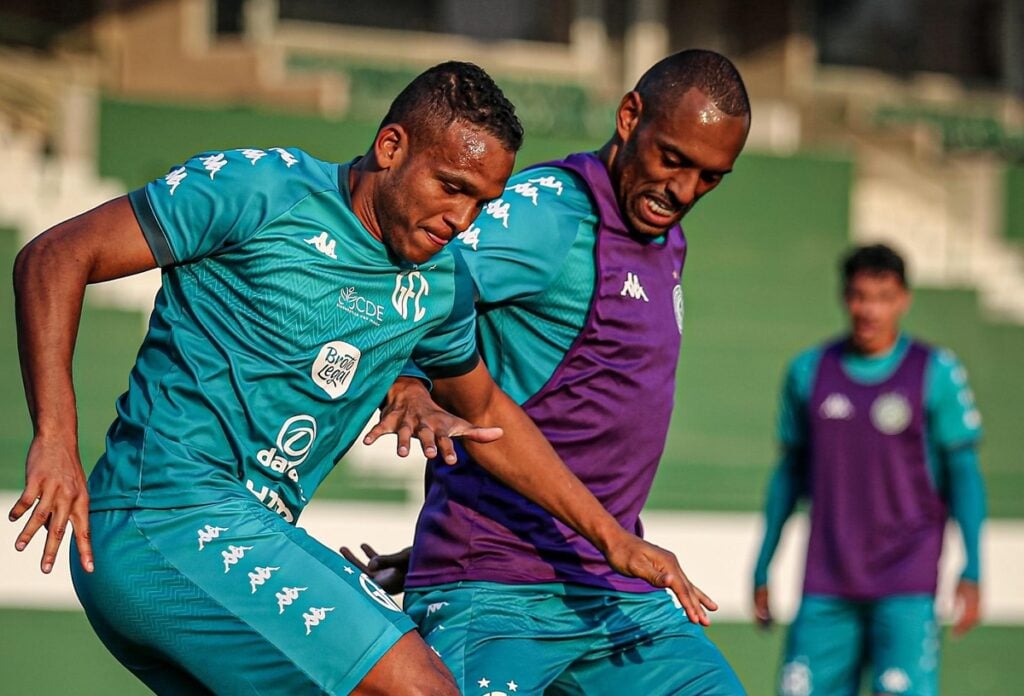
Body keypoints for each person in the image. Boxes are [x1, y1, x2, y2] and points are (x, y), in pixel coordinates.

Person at [10, 61, 707, 695]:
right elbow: (54, 257)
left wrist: (613, 540)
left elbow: (487, 412)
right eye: (452, 187)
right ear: (392, 146)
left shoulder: (438, 283)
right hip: (163, 515)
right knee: (421, 688)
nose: (461, 219)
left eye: (482, 202)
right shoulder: (259, 188)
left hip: (240, 539)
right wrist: (56, 438)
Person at [344, 49, 751, 694]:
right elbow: (420, 289)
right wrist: (409, 382)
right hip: (496, 590)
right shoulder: (550, 212)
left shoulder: (666, 236)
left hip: (617, 594)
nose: (683, 190)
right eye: (672, 159)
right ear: (628, 117)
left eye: (710, 177)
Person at [752, 244, 986, 696]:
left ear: (903, 299)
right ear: (844, 297)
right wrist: (763, 564)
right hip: (826, 580)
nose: (870, 309)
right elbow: (788, 476)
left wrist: (973, 567)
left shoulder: (934, 372)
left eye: (883, 296)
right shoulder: (809, 372)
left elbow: (964, 476)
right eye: (860, 296)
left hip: (907, 582)